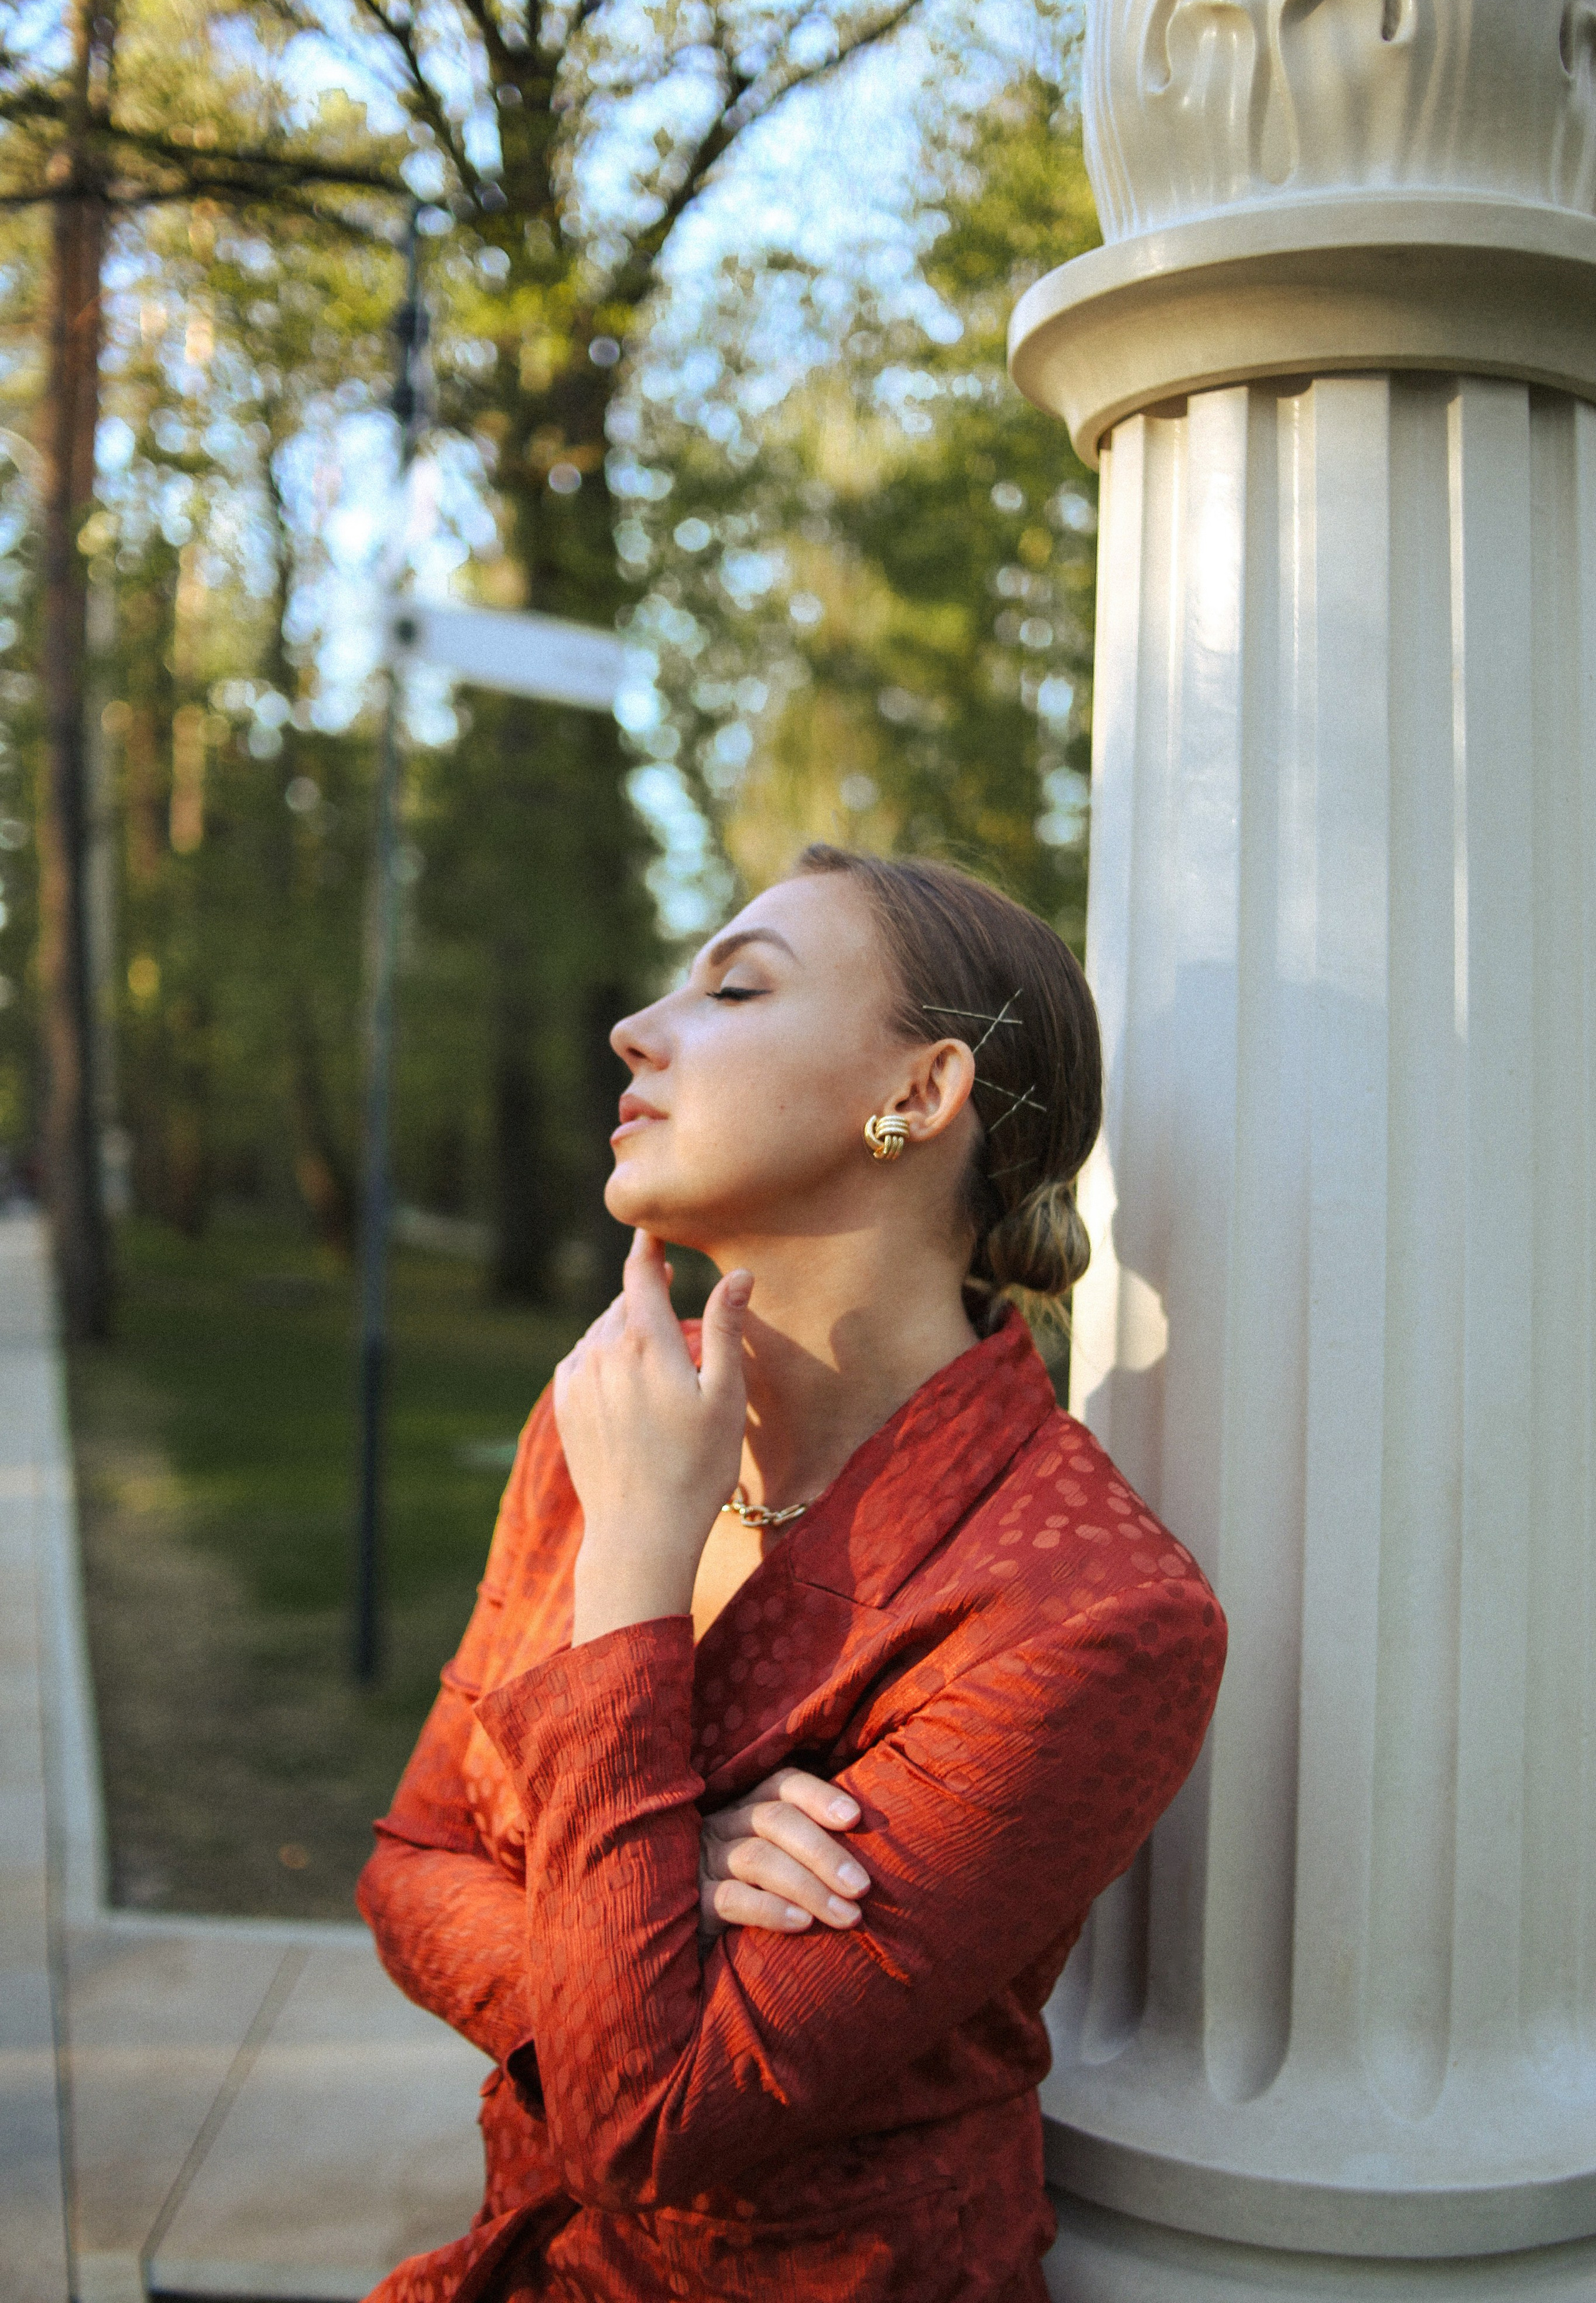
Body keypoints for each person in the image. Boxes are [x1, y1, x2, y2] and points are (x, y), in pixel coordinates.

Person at [358, 846, 1226, 2303]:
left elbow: (645, 2119)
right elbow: (407, 1866)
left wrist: (638, 1570)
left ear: (917, 1095)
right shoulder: (601, 1417)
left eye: (735, 990)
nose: (634, 1030)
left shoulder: (1088, 1613)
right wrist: (651, 1895)